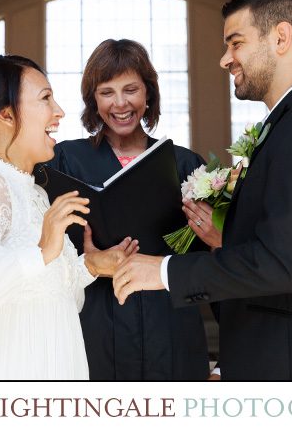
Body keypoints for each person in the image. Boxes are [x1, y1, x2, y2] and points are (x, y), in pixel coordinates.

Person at [113, 0, 292, 380]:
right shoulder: (285, 127)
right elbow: (279, 250)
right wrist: (224, 239)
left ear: (281, 37)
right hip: (270, 362)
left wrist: (161, 271)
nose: (225, 59)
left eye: (236, 43)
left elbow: (281, 264)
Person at [0, 54, 138, 379]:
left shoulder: (31, 191)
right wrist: (41, 251)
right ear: (6, 114)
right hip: (15, 364)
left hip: (57, 359)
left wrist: (91, 265)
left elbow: (48, 287)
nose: (59, 111)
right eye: (46, 98)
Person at [46, 39, 212, 381]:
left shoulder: (185, 165)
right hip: (96, 325)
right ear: (93, 98)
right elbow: (42, 253)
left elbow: (212, 264)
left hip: (170, 328)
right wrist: (86, 258)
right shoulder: (66, 160)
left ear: (148, 94)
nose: (120, 104)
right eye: (107, 92)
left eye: (131, 90)